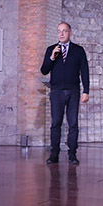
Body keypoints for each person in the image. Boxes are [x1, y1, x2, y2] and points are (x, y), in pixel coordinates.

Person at [40, 22, 90, 165]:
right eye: (59, 31)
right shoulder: (51, 49)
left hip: (73, 91)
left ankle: (72, 154)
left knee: (73, 123)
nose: (61, 34)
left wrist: (86, 91)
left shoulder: (78, 50)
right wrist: (52, 57)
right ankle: (54, 153)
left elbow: (85, 71)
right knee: (56, 123)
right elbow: (44, 70)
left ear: (70, 33)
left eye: (64, 31)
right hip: (56, 91)